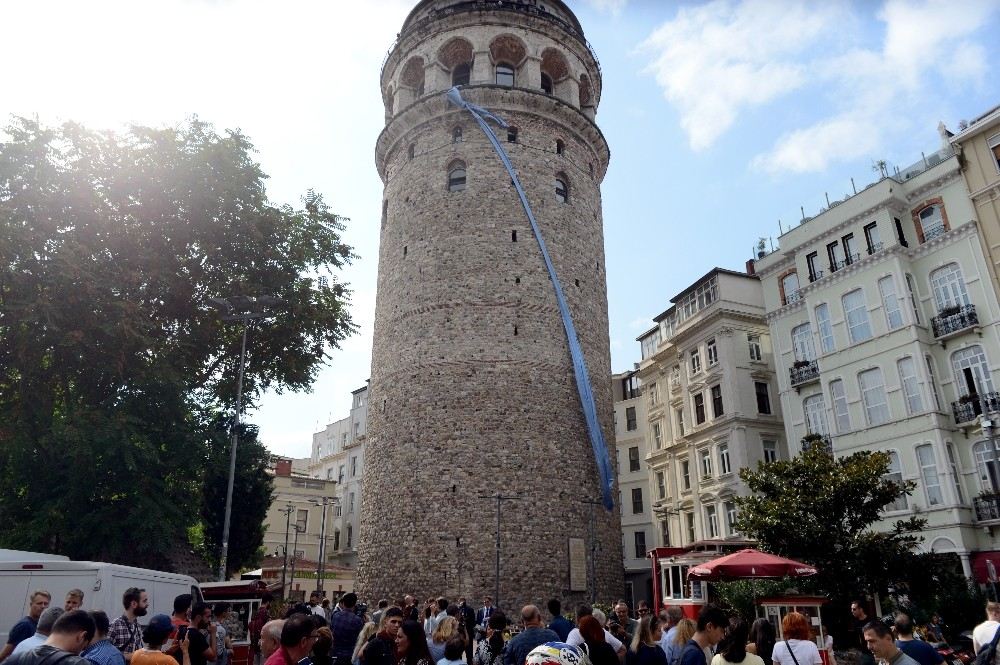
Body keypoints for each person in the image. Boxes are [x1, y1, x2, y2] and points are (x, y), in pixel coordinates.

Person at [3, 610, 96, 665]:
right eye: (83, 647)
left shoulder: (15, 660)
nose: (81, 652)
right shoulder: (78, 663)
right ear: (82, 636)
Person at [1, 590, 52, 662]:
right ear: (31, 604)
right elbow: (6, 653)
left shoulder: (39, 625)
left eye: (46, 604)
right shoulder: (24, 625)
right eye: (39, 603)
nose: (43, 606)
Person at [109, 588, 148, 662]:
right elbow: (105, 652)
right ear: (133, 604)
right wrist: (127, 656)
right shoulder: (115, 625)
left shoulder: (137, 626)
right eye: (144, 601)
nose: (147, 604)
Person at [331, 594, 365, 665]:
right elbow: (360, 637)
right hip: (349, 655)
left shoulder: (335, 615)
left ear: (343, 603)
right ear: (354, 604)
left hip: (334, 652)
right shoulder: (357, 620)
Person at [249, 594, 274, 665]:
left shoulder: (256, 612)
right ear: (268, 602)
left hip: (254, 644)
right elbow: (270, 629)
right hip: (264, 644)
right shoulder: (265, 613)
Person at [456, 600, 476, 665]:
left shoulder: (470, 609)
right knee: (459, 654)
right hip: (460, 634)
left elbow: (473, 622)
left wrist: (466, 623)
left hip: (468, 634)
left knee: (469, 654)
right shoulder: (458, 609)